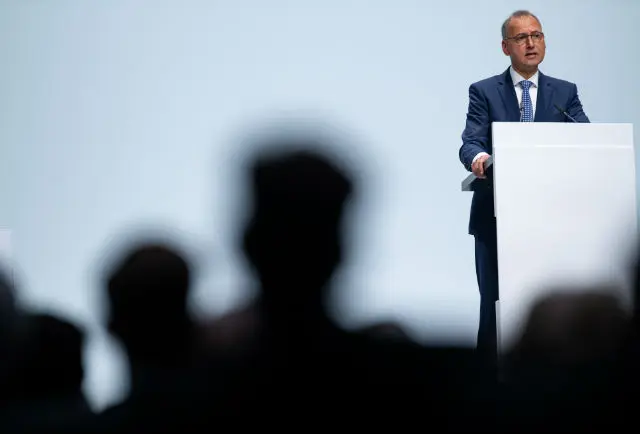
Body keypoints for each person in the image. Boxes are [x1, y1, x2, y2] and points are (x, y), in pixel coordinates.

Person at [458, 10, 589, 363]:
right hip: (495, 219)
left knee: (551, 311)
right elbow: (470, 142)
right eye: (521, 38)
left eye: (537, 35)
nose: (531, 43)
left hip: (551, 218)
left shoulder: (565, 93)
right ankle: (486, 379)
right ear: (506, 47)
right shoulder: (484, 91)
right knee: (494, 306)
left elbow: (585, 137)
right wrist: (479, 158)